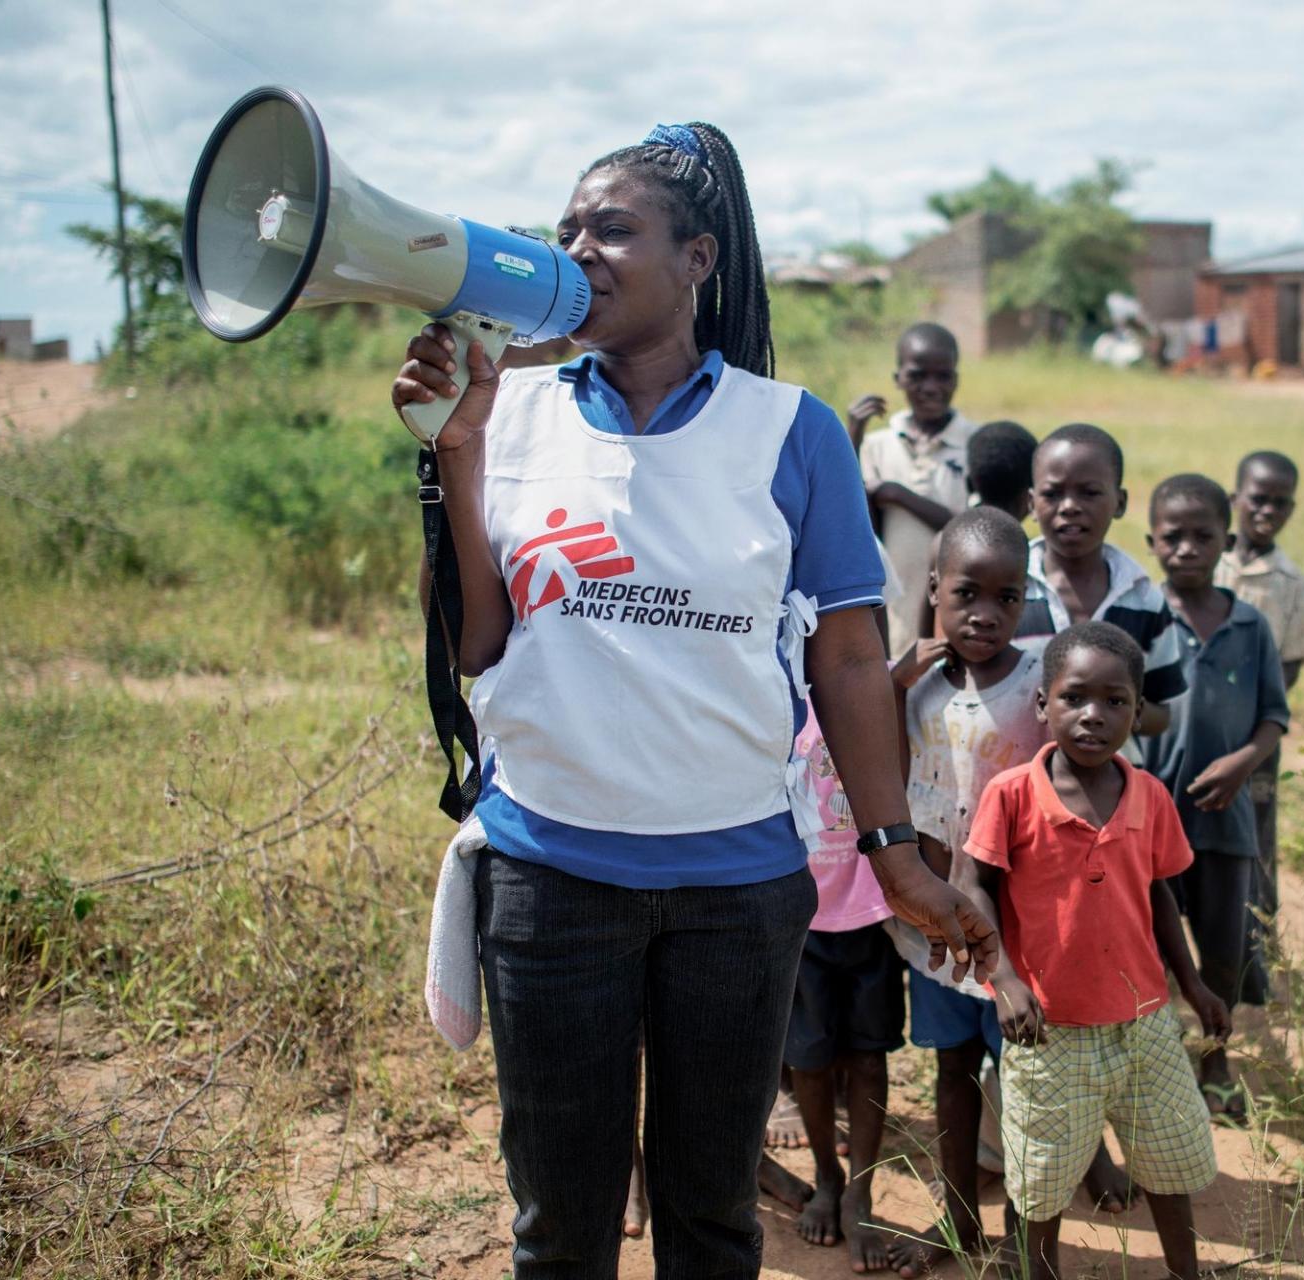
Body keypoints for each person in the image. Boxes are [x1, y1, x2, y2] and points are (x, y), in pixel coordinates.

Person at [394, 121, 995, 1280]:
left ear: (699, 260)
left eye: (614, 228)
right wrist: (455, 456)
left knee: (712, 1217)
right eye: (567, 229)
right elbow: (476, 642)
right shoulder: (507, 416)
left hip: (735, 893)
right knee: (560, 1223)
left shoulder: (790, 431)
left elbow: (852, 662)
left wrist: (895, 856)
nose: (581, 249)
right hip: (549, 880)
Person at [964, 622, 1230, 1280]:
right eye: (1075, 697)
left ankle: (1184, 1273)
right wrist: (1004, 980)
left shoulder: (1149, 796)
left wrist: (1193, 985)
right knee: (1041, 1181)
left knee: (1168, 1163)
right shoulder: (1013, 795)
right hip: (1048, 1031)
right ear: (1043, 705)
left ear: (1138, 713)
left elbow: (1160, 896)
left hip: (1144, 1023)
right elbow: (972, 886)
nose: (1093, 715)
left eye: (1115, 702)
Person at [886, 507, 1043, 1276]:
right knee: (950, 1070)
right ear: (934, 589)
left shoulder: (1042, 686)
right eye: (966, 594)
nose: (985, 614)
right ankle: (957, 1220)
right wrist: (894, 679)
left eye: (1007, 598)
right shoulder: (910, 686)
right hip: (932, 927)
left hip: (1014, 932)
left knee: (1021, 1080)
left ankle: (1023, 1233)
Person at [1144, 475, 1290, 1122]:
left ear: (1226, 542)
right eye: (1172, 537)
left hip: (1225, 819)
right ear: (1152, 542)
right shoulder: (1141, 619)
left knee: (1223, 949)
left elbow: (1273, 717)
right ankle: (1155, 1062)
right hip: (1153, 822)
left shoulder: (1250, 625)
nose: (1186, 548)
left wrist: (1241, 763)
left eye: (1203, 536)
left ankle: (1216, 1058)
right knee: (1150, 943)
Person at [783, 714, 904, 1271]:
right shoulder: (769, 674)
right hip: (797, 914)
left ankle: (861, 1192)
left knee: (868, 1055)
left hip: (870, 911)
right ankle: (827, 1178)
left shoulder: (871, 683)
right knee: (807, 1059)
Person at [1214, 451, 1304, 978]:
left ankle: (1257, 944)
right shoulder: (1205, 555)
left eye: (1280, 503)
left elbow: (1292, 661)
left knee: (1256, 834)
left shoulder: (1290, 582)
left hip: (1256, 736)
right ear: (1235, 499)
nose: (1266, 511)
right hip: (1196, 729)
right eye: (1257, 499)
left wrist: (1254, 712)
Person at [1015, 424, 1181, 735]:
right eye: (1052, 494)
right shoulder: (1008, 590)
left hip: (1112, 782)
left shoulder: (1144, 600)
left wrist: (1109, 709)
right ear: (1031, 504)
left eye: (1089, 493)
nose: (1069, 507)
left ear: (1120, 502)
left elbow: (1161, 713)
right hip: (1016, 776)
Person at [852, 323, 976, 653]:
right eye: (918, 376)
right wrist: (853, 439)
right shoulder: (877, 447)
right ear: (898, 379)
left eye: (943, 376)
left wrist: (898, 494)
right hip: (894, 619)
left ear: (956, 379)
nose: (931, 387)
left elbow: (977, 533)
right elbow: (856, 526)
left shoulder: (975, 446)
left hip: (960, 626)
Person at [913, 419, 1037, 645]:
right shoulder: (1028, 553)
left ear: (969, 483)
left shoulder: (945, 542)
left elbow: (925, 637)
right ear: (1029, 498)